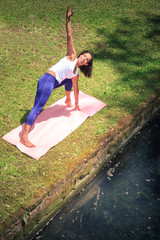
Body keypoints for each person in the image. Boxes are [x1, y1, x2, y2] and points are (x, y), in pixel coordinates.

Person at [20, 5, 93, 148]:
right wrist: (67, 19)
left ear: (86, 64)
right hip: (47, 80)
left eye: (87, 60)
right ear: (79, 55)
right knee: (37, 108)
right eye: (84, 56)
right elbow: (69, 35)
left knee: (70, 81)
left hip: (55, 82)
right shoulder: (71, 55)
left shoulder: (76, 73)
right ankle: (24, 136)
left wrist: (76, 104)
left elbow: (76, 89)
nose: (84, 59)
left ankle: (67, 100)